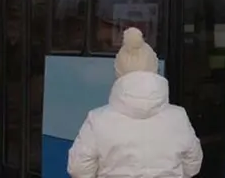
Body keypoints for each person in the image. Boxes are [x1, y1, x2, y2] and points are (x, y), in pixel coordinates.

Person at [67, 27, 203, 178]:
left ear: (119, 72)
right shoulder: (178, 117)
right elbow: (193, 165)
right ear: (154, 69)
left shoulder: (97, 119)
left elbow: (79, 169)